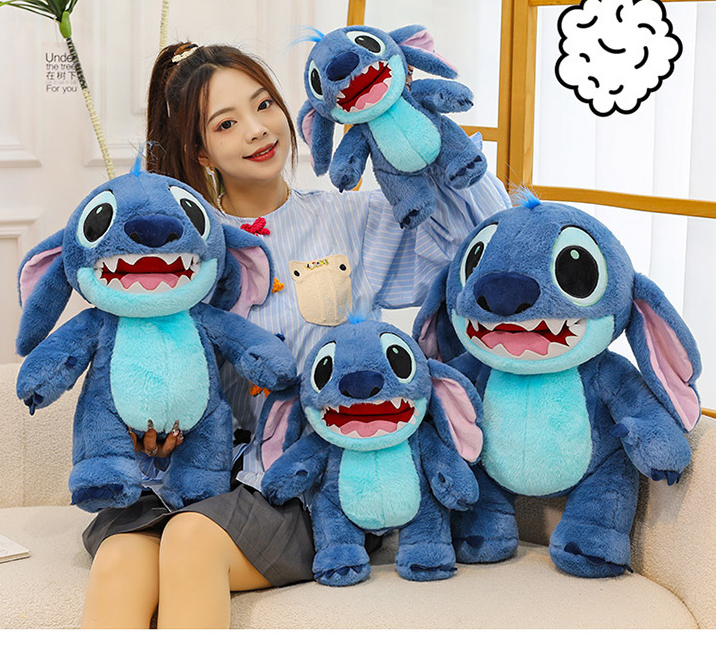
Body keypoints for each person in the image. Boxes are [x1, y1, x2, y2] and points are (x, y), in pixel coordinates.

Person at [80, 41, 511, 629]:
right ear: (200, 151)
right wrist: (150, 437)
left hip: (316, 485)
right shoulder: (188, 252)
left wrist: (412, 123)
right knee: (120, 557)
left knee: (190, 541)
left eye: (264, 105)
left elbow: (482, 239)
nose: (257, 129)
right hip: (204, 476)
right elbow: (151, 366)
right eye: (226, 123)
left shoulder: (349, 220)